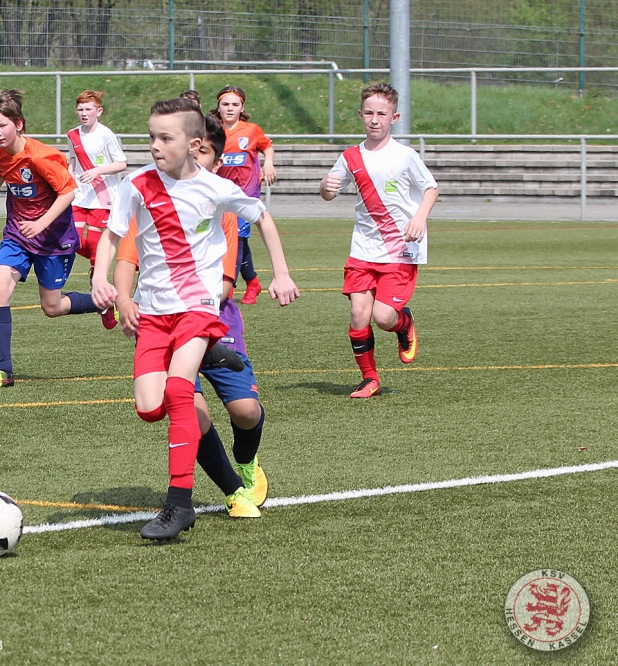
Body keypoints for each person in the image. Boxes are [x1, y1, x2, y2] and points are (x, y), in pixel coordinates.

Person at [92, 97, 299, 541]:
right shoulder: (136, 184)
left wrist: (281, 273)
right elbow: (112, 235)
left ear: (193, 143)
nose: (155, 145)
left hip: (197, 309)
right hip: (154, 313)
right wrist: (99, 279)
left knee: (179, 391)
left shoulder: (214, 188)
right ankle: (209, 355)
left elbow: (263, 217)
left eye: (165, 138)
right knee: (150, 408)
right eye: (151, 136)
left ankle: (179, 504)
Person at [0, 90, 112, 389]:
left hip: (53, 240)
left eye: (2, 125)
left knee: (52, 307)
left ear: (19, 124)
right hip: (18, 235)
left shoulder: (40, 156)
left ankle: (107, 302)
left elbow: (68, 192)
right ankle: (3, 371)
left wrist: (42, 222)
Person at [319, 82, 439, 399]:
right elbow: (329, 192)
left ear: (394, 117)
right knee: (358, 314)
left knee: (383, 317)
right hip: (363, 248)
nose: (375, 120)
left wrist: (419, 218)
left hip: (400, 248)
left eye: (382, 114)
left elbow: (431, 188)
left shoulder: (405, 156)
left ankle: (404, 323)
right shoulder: (350, 156)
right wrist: (325, 187)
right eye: (369, 113)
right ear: (360, 115)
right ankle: (369, 378)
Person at [66, 90, 127, 328]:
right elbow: (72, 161)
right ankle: (101, 288)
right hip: (80, 197)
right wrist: (68, 181)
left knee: (94, 248)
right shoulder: (73, 135)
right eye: (80, 109)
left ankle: (104, 299)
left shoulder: (106, 135)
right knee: (71, 240)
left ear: (98, 111)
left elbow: (121, 163)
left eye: (88, 109)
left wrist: (98, 170)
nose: (83, 113)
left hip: (103, 198)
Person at [211, 85, 276, 305]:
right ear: (218, 107)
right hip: (221, 194)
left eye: (235, 104)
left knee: (237, 238)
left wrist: (268, 163)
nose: (230, 108)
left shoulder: (251, 130)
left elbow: (267, 146)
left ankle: (228, 289)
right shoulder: (214, 132)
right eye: (225, 104)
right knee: (232, 238)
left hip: (245, 194)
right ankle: (253, 282)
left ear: (242, 107)